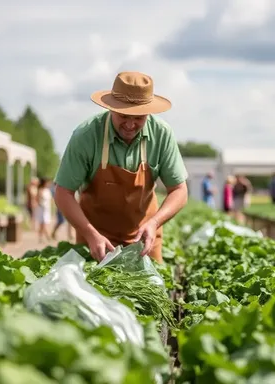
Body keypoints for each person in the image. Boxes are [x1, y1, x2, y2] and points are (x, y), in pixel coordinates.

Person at [53, 71, 188, 262]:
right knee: (92, 290)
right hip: (95, 237)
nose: (131, 124)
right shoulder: (86, 135)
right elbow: (63, 192)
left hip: (144, 238)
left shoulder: (162, 135)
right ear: (111, 108)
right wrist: (90, 234)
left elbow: (180, 190)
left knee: (148, 290)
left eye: (139, 118)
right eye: (124, 116)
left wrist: (154, 223)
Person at [35, 178, 53, 243]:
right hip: (42, 209)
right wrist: (41, 204)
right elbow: (37, 199)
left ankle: (42, 237)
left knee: (44, 223)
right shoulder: (40, 190)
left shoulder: (47, 190)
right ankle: (47, 237)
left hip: (47, 209)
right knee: (43, 224)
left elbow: (50, 200)